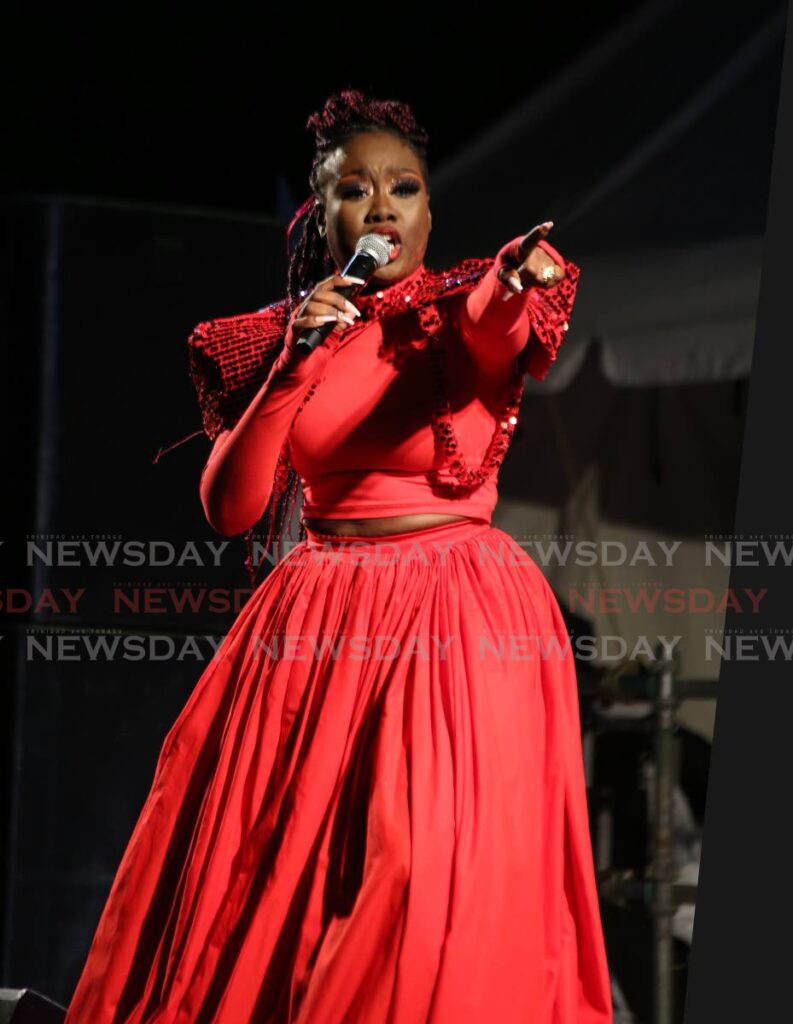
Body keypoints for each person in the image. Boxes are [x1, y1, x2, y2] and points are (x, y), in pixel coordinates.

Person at [65, 90, 612, 1023]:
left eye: (405, 188)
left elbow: (491, 327)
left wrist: (511, 284)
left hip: (454, 614)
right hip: (316, 619)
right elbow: (232, 510)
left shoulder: (460, 312)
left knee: (420, 859)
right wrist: (294, 362)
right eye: (355, 190)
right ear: (320, 216)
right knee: (280, 873)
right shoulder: (272, 338)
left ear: (431, 211)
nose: (384, 208)